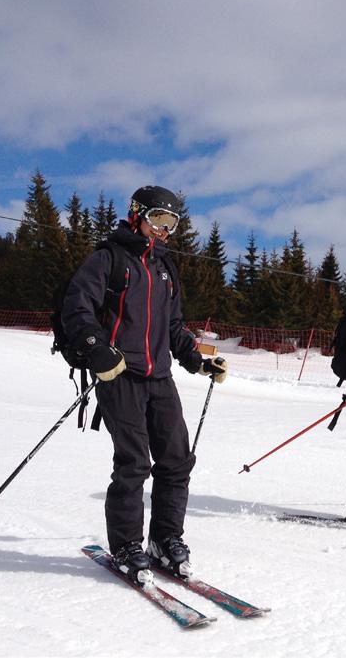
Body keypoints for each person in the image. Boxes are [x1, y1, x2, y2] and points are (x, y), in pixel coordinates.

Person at [61, 185, 227, 583]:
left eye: (172, 224)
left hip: (160, 378)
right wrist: (95, 349)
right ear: (138, 215)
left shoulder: (165, 269)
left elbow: (173, 326)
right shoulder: (109, 259)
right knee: (134, 464)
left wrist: (198, 362)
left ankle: (165, 540)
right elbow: (77, 307)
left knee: (176, 461)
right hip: (120, 376)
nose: (164, 230)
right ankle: (126, 546)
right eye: (159, 220)